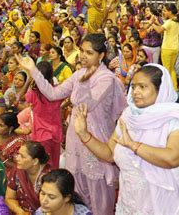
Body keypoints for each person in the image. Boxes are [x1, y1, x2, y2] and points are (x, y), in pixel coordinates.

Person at [15, 33, 127, 215]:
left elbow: (87, 104)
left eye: (89, 53)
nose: (82, 56)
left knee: (99, 195)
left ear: (101, 55)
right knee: (77, 190)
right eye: (82, 51)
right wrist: (33, 70)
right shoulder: (79, 73)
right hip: (76, 137)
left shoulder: (106, 78)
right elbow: (52, 94)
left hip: (95, 137)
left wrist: (84, 79)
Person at [73, 64, 179, 214]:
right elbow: (109, 153)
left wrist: (133, 145)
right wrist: (84, 134)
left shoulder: (176, 119)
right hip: (131, 202)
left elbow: (173, 158)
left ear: (160, 90)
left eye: (142, 87)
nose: (136, 92)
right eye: (133, 87)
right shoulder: (129, 116)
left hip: (164, 203)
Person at [5, 141, 51, 214]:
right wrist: (19, 211)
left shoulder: (50, 177)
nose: (17, 158)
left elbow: (52, 208)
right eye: (18, 154)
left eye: (22, 156)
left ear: (35, 161)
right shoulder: (17, 170)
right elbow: (9, 198)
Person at [151, 4, 179, 89]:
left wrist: (152, 24)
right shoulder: (176, 21)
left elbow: (159, 30)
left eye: (165, 11)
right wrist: (157, 22)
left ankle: (167, 88)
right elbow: (164, 27)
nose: (164, 12)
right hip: (175, 48)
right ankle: (174, 87)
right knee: (171, 69)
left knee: (166, 70)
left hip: (167, 48)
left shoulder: (169, 22)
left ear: (170, 12)